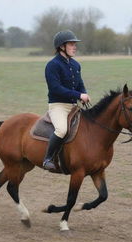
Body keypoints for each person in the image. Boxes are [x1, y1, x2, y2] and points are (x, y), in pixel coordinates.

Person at [43, 30, 90, 170]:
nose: (75, 47)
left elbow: (80, 84)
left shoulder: (76, 65)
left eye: (75, 44)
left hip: (73, 106)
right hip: (58, 106)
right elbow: (55, 88)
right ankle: (48, 159)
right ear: (62, 46)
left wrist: (84, 94)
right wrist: (78, 95)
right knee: (62, 130)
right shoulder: (52, 65)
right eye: (71, 44)